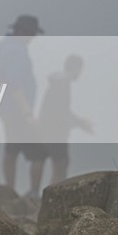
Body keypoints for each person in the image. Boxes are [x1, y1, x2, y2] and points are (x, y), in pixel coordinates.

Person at [0, 15, 47, 198]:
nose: (32, 38)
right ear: (24, 32)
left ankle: (9, 190)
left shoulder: (5, 46)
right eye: (31, 33)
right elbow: (15, 85)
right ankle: (32, 194)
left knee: (12, 148)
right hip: (17, 110)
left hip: (7, 109)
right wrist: (27, 114)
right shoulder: (16, 51)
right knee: (39, 153)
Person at [37, 55, 93, 186]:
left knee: (61, 163)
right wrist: (80, 123)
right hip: (55, 131)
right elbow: (60, 111)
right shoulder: (62, 84)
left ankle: (53, 194)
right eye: (80, 69)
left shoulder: (60, 83)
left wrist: (80, 123)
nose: (80, 73)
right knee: (60, 164)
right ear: (74, 68)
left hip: (51, 129)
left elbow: (61, 110)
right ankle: (54, 195)